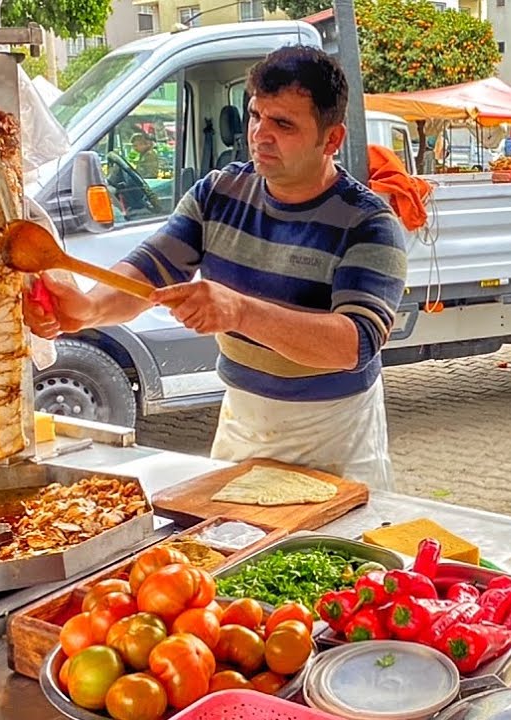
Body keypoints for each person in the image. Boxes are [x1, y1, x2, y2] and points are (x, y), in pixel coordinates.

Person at [23, 47, 407, 490]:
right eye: (256, 115)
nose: (261, 134)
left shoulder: (369, 223)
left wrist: (240, 312)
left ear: (332, 139)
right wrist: (88, 309)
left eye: (283, 124)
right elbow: (149, 272)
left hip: (335, 433)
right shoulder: (217, 194)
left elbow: (354, 345)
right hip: (242, 422)